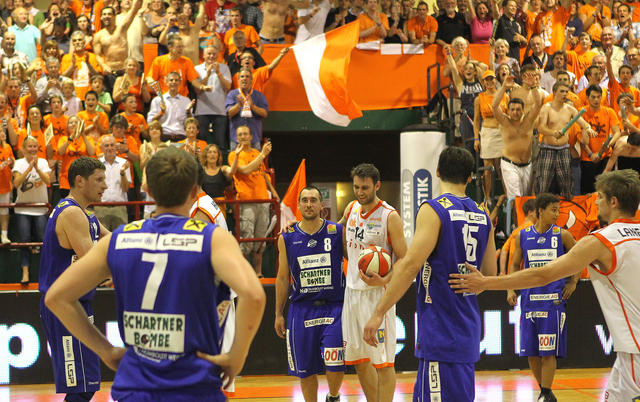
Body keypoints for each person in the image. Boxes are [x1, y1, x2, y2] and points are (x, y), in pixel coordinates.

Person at [44, 147, 266, 401]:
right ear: (194, 191)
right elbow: (254, 296)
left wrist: (106, 351)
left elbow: (57, 297)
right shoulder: (213, 238)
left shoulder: (118, 240)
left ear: (148, 189)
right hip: (193, 385)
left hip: (136, 385)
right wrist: (236, 355)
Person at [449, 168, 640, 401]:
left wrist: (485, 282)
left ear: (614, 201)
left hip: (635, 351)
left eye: (599, 196)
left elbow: (543, 275)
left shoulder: (601, 241)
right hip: (627, 354)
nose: (596, 202)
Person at [362, 146, 496, 402]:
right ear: (470, 177)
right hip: (467, 330)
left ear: (437, 172)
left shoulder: (434, 209)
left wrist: (378, 312)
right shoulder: (483, 215)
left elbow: (410, 265)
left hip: (440, 330)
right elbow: (489, 276)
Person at [38, 156, 108, 400]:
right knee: (80, 387)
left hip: (78, 303)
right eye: (99, 179)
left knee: (87, 384)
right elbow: (93, 261)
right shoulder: (71, 213)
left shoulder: (86, 214)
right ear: (80, 181)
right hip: (64, 306)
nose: (105, 185)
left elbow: (114, 241)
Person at [338, 163, 407, 402]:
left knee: (383, 363)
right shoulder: (351, 208)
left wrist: (385, 279)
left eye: (365, 187)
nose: (360, 192)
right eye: (356, 187)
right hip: (351, 293)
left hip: (377, 296)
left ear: (377, 186)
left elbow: (404, 259)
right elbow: (337, 233)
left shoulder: (389, 216)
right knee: (359, 360)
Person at [506, 193, 579, 402]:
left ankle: (545, 393)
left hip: (552, 302)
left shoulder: (562, 235)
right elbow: (514, 264)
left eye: (558, 210)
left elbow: (580, 257)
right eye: (553, 210)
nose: (556, 214)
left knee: (548, 352)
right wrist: (510, 289)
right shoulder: (522, 236)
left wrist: (573, 282)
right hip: (529, 302)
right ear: (540, 211)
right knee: (531, 354)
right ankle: (545, 392)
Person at [275, 186, 345, 402]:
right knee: (305, 370)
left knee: (335, 363)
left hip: (334, 307)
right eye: (304, 200)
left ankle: (333, 396)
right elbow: (282, 277)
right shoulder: (287, 236)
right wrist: (278, 313)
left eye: (313, 200)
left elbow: (354, 261)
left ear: (321, 205)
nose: (308, 204)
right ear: (298, 205)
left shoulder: (336, 231)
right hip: (301, 309)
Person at [228, 126, 278, 276]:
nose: (243, 136)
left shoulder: (256, 153)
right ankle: (245, 274)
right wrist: (262, 155)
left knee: (260, 240)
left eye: (245, 134)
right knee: (246, 239)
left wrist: (274, 193)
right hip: (246, 201)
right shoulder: (234, 155)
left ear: (251, 137)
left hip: (263, 200)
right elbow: (245, 170)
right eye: (240, 134)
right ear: (237, 138)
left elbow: (263, 175)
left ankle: (258, 273)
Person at [536, 82, 595, 197]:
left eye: (566, 92)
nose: (564, 94)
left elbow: (582, 122)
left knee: (566, 183)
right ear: (554, 92)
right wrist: (553, 132)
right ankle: (540, 206)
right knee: (543, 183)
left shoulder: (570, 109)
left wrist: (588, 128)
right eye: (561, 91)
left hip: (564, 149)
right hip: (547, 149)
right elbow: (541, 128)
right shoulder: (546, 108)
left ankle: (567, 205)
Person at [492, 74, 543, 198]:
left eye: (518, 109)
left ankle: (514, 212)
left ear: (523, 110)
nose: (515, 112)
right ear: (508, 111)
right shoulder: (504, 121)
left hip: (527, 165)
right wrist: (504, 87)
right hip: (509, 164)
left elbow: (538, 104)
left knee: (525, 198)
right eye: (512, 109)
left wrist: (533, 87)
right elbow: (494, 106)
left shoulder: (528, 121)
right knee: (516, 198)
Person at [579, 85, 622, 193]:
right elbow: (580, 138)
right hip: (588, 158)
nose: (596, 100)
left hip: (606, 157)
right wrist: (590, 154)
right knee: (588, 191)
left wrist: (609, 144)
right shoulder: (581, 112)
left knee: (606, 190)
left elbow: (617, 132)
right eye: (593, 97)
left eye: (598, 97)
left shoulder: (609, 112)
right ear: (587, 98)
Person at [92, 0, 143, 91]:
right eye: (104, 14)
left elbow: (134, 9)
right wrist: (103, 65)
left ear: (114, 16)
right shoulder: (98, 36)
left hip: (125, 72)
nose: (106, 16)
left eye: (109, 14)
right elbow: (98, 55)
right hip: (110, 73)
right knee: (111, 98)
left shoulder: (122, 28)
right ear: (101, 17)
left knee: (126, 96)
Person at [195, 45, 232, 147]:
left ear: (218, 55)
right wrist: (207, 75)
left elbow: (228, 87)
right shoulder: (197, 69)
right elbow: (197, 90)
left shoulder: (224, 68)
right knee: (201, 143)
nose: (211, 56)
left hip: (220, 111)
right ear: (203, 55)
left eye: (214, 54)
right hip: (202, 111)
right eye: (209, 54)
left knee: (219, 144)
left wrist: (218, 72)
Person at [94, 135, 131, 231]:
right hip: (101, 208)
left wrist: (122, 173)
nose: (110, 148)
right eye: (106, 146)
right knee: (101, 238)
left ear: (116, 147)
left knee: (120, 238)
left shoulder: (124, 163)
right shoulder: (96, 164)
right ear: (101, 148)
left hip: (120, 207)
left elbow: (126, 189)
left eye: (112, 145)